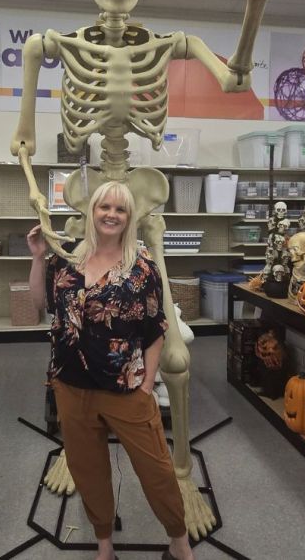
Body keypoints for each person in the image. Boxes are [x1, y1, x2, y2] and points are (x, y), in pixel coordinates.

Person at [27, 180, 194, 560]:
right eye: (105, 207)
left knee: (156, 470)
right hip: (71, 384)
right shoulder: (65, 257)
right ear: (92, 212)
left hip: (126, 388)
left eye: (120, 209)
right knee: (89, 469)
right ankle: (105, 544)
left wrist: (148, 384)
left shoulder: (142, 267)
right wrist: (37, 257)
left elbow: (155, 331)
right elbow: (41, 305)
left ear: (129, 217)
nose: (111, 215)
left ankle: (179, 542)